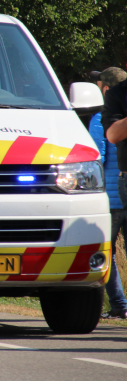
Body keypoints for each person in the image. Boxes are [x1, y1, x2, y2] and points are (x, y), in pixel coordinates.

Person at [99, 67, 127, 319]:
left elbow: (96, 157)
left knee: (104, 252)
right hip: (121, 190)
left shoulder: (100, 121)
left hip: (110, 198)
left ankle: (119, 304)